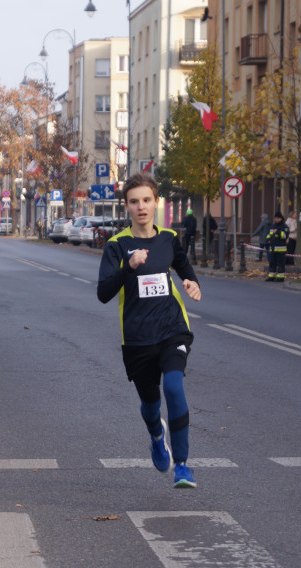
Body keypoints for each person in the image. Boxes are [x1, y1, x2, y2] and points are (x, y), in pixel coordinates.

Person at [96, 174, 201, 489]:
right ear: (126, 206)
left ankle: (182, 465)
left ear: (156, 202)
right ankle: (157, 436)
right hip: (138, 338)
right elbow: (103, 293)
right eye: (134, 201)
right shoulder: (117, 246)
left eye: (146, 200)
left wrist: (192, 282)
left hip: (172, 329)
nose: (141, 207)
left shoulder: (169, 238)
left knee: (174, 386)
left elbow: (183, 265)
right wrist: (129, 266)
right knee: (151, 403)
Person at [266, 212, 289, 282]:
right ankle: (271, 276)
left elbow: (285, 236)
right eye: (275, 218)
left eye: (277, 218)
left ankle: (280, 277)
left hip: (280, 250)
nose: (276, 219)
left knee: (280, 264)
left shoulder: (284, 226)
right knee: (272, 263)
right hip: (273, 249)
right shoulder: (273, 226)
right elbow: (269, 234)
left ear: (281, 218)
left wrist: (278, 232)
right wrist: (268, 239)